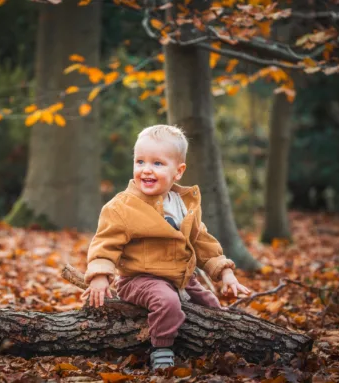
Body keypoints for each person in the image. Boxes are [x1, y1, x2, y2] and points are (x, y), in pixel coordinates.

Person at [81, 125, 250, 370]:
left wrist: (225, 272)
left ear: (178, 171)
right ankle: (161, 348)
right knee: (167, 301)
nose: (146, 170)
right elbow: (104, 244)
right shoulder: (122, 207)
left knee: (211, 306)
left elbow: (202, 240)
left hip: (181, 276)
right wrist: (99, 276)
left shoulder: (183, 203)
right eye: (140, 162)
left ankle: (216, 347)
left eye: (158, 164)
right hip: (140, 279)